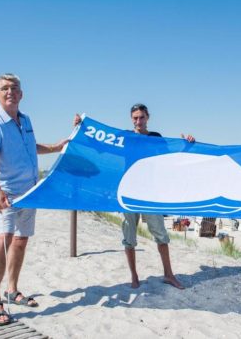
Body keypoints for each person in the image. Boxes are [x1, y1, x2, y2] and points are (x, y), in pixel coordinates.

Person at [0, 73, 68, 326]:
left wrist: (54, 147)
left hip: (30, 191)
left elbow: (30, 146)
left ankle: (12, 289)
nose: (10, 92)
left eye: (14, 88)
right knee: (3, 241)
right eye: (5, 88)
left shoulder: (25, 120)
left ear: (21, 94)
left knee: (20, 241)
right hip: (7, 193)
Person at [74, 103, 194, 290]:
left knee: (161, 235)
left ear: (148, 117)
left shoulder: (156, 138)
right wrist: (82, 128)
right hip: (129, 192)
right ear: (132, 119)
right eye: (135, 118)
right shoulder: (126, 137)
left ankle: (169, 274)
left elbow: (172, 154)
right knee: (129, 237)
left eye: (142, 117)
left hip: (150, 193)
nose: (138, 121)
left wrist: (186, 143)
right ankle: (134, 276)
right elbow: (102, 144)